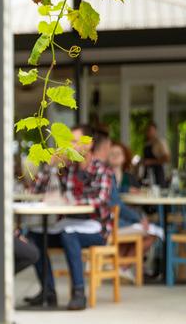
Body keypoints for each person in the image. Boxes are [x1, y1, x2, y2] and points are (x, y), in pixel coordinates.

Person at [28, 127, 113, 310]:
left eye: (74, 141)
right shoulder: (67, 168)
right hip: (67, 225)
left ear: (89, 144)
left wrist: (73, 201)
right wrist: (50, 166)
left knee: (69, 235)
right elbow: (36, 191)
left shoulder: (102, 169)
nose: (70, 146)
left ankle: (79, 293)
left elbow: (101, 199)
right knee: (33, 238)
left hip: (97, 229)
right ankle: (48, 292)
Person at [108, 141, 163, 281]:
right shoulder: (107, 175)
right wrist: (138, 218)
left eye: (118, 153)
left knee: (140, 233)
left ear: (124, 157)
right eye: (112, 153)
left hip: (124, 217)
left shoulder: (128, 177)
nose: (114, 156)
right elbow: (116, 201)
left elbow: (121, 193)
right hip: (116, 219)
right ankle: (121, 267)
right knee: (149, 233)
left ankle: (120, 267)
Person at [142, 122, 170, 187]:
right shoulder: (147, 143)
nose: (149, 132)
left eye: (151, 130)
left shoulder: (160, 142)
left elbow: (167, 158)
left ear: (155, 131)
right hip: (148, 173)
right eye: (148, 130)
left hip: (158, 173)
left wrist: (151, 162)